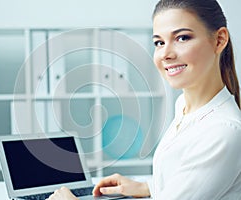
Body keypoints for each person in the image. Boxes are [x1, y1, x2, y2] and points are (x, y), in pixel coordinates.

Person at [47, 0, 241, 199]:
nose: (166, 54)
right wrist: (149, 187)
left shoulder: (224, 131)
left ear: (219, 40)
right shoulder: (185, 105)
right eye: (159, 42)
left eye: (182, 38)